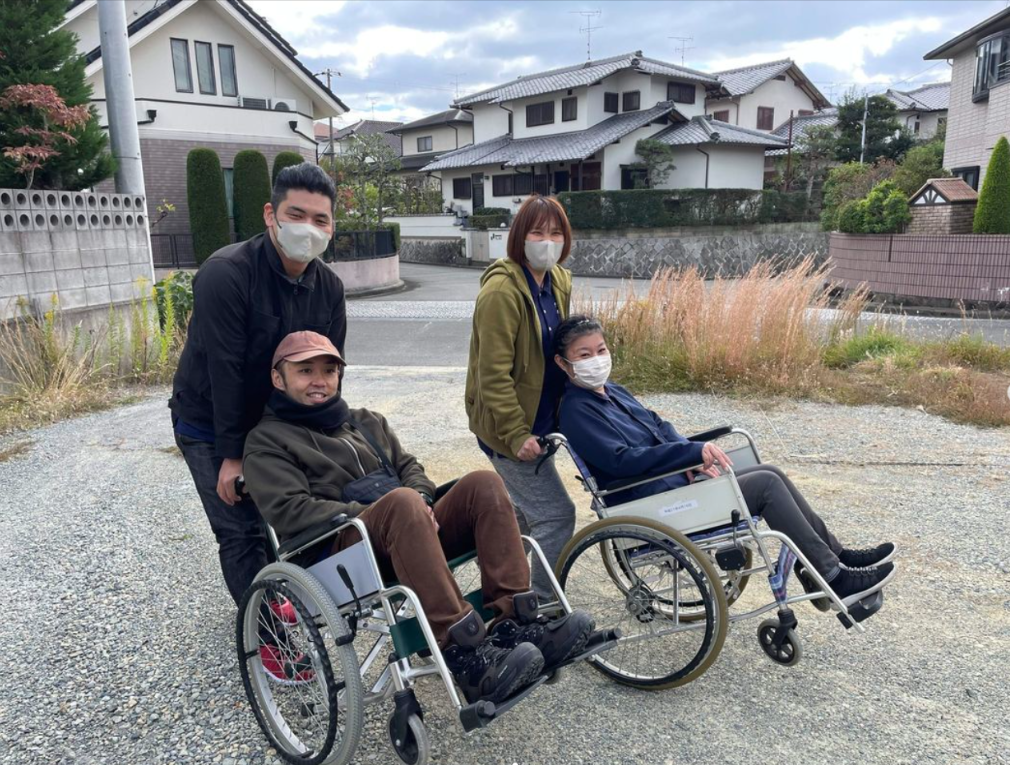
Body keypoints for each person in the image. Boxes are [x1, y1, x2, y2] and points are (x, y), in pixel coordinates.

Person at [242, 331, 595, 702]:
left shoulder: (365, 421)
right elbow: (289, 510)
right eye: (305, 371)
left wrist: (423, 499)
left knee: (484, 484)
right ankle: (465, 655)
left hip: (410, 526)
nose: (320, 380)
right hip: (340, 550)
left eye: (329, 370)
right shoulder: (267, 441)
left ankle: (517, 625)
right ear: (278, 378)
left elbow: (410, 467)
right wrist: (377, 514)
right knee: (402, 502)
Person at [552, 316, 898, 608]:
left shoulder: (614, 392)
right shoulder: (576, 411)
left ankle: (835, 556)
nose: (596, 359)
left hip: (673, 486)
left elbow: (660, 426)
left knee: (768, 471)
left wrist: (692, 453)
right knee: (766, 486)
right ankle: (833, 577)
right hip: (651, 504)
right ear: (562, 363)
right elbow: (622, 461)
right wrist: (687, 455)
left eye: (601, 350)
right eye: (584, 354)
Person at [171, 162, 347, 607]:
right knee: (241, 527)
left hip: (281, 421)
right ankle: (269, 638)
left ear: (331, 226)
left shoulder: (329, 287)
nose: (308, 228)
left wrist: (333, 437)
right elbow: (224, 369)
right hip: (210, 420)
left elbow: (329, 373)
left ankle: (304, 603)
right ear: (271, 214)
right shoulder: (226, 273)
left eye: (320, 219)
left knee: (305, 514)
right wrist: (233, 456)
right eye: (296, 214)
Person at [465, 195, 577, 597]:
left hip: (542, 417)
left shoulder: (559, 280)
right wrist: (515, 434)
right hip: (506, 424)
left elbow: (560, 345)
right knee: (557, 515)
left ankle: (485, 541)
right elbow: (491, 374)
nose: (547, 241)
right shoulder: (501, 293)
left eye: (555, 232)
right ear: (519, 237)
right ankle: (543, 609)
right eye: (537, 232)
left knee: (526, 513)